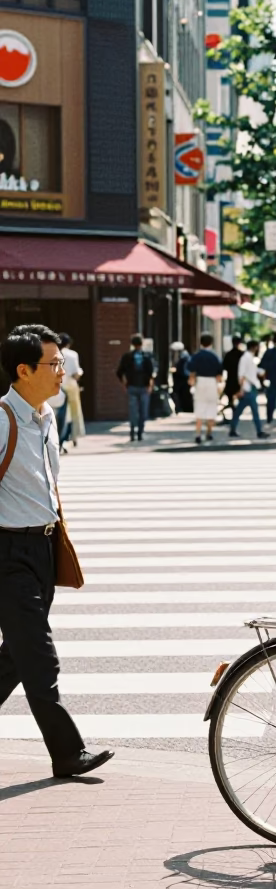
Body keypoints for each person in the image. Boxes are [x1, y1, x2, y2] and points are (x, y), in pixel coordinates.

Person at [0, 324, 114, 778]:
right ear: (23, 370)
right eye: (54, 364)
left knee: (17, 654)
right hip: (7, 553)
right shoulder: (3, 418)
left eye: (62, 363)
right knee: (40, 656)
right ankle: (67, 752)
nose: (61, 371)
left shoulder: (47, 416)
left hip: (43, 548)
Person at [116, 334, 155, 442]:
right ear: (141, 344)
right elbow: (151, 373)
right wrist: (150, 386)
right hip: (144, 386)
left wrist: (124, 383)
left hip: (131, 386)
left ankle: (132, 431)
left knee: (133, 410)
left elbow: (119, 372)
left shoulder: (127, 356)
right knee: (143, 410)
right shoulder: (147, 356)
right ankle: (140, 432)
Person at [187, 333, 223, 444]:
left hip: (200, 382)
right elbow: (219, 376)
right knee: (211, 407)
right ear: (211, 343)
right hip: (212, 382)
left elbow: (192, 372)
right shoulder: (215, 357)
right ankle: (209, 433)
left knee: (199, 407)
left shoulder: (196, 356)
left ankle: (198, 433)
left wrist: (191, 382)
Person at [229, 338, 268, 439]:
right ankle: (259, 431)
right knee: (253, 410)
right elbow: (241, 375)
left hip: (250, 387)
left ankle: (233, 429)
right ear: (254, 347)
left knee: (240, 410)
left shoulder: (248, 357)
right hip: (248, 388)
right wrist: (241, 388)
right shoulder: (246, 358)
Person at [57, 334, 85, 445]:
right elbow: (75, 374)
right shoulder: (72, 354)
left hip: (58, 385)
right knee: (75, 412)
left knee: (60, 412)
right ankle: (74, 437)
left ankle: (60, 436)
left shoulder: (54, 354)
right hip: (71, 385)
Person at [258, 333, 276, 423]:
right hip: (272, 379)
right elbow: (263, 366)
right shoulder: (270, 352)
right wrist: (265, 379)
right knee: (271, 399)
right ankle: (269, 417)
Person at [221, 335, 244, 423]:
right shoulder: (242, 354)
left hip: (230, 380)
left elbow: (224, 367)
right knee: (241, 400)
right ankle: (236, 416)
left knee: (230, 400)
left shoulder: (228, 354)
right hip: (239, 380)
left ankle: (233, 415)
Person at [170, 342, 193, 414]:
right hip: (183, 378)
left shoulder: (184, 357)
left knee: (183, 394)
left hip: (182, 378)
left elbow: (182, 369)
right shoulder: (185, 356)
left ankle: (184, 408)